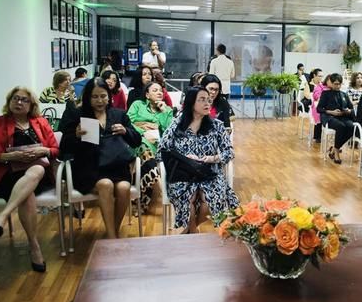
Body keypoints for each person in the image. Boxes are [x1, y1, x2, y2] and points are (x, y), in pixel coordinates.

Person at [59, 78, 142, 239]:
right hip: (88, 167)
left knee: (124, 188)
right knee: (106, 185)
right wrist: (76, 136)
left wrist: (125, 131)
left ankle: (113, 231)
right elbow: (64, 147)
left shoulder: (118, 114)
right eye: (95, 97)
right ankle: (112, 238)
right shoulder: (77, 114)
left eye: (103, 96)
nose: (99, 101)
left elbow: (136, 140)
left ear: (109, 96)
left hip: (115, 165)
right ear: (87, 97)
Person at [157, 87, 239, 234]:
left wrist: (211, 158)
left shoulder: (217, 126)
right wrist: (184, 159)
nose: (207, 103)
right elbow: (162, 149)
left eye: (209, 100)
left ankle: (189, 231)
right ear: (191, 103)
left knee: (209, 200)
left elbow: (229, 152)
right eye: (202, 99)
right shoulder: (177, 124)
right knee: (188, 197)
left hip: (208, 172)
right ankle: (193, 233)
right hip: (183, 173)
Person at [0, 87, 59, 272]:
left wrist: (44, 151)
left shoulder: (40, 122)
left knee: (37, 169)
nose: (19, 102)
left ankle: (3, 215)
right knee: (27, 195)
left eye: (24, 100)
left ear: (31, 105)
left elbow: (55, 150)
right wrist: (7, 157)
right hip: (6, 175)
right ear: (9, 101)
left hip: (38, 174)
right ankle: (34, 246)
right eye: (15, 98)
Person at [127, 82, 173, 212]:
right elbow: (128, 122)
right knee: (143, 146)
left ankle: (141, 199)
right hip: (136, 141)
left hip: (157, 145)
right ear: (147, 94)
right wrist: (143, 131)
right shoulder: (137, 105)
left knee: (146, 153)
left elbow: (168, 131)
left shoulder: (167, 110)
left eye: (160, 90)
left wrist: (164, 112)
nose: (159, 93)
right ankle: (157, 180)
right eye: (155, 90)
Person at [317, 73, 354, 164]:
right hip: (329, 117)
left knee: (352, 127)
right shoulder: (325, 94)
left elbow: (351, 108)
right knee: (340, 126)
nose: (338, 86)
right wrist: (331, 112)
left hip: (342, 116)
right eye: (336, 84)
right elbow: (319, 108)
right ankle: (337, 153)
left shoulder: (344, 94)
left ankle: (335, 148)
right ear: (331, 83)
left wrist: (348, 111)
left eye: (339, 84)